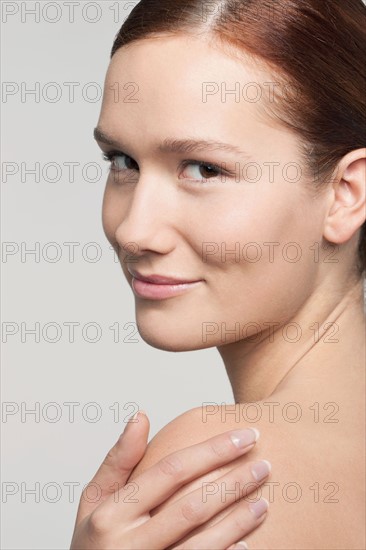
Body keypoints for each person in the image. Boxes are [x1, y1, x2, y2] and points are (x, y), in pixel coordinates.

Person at [71, 0, 366, 548]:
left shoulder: (218, 471)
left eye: (204, 169)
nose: (135, 230)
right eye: (122, 162)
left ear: (346, 194)